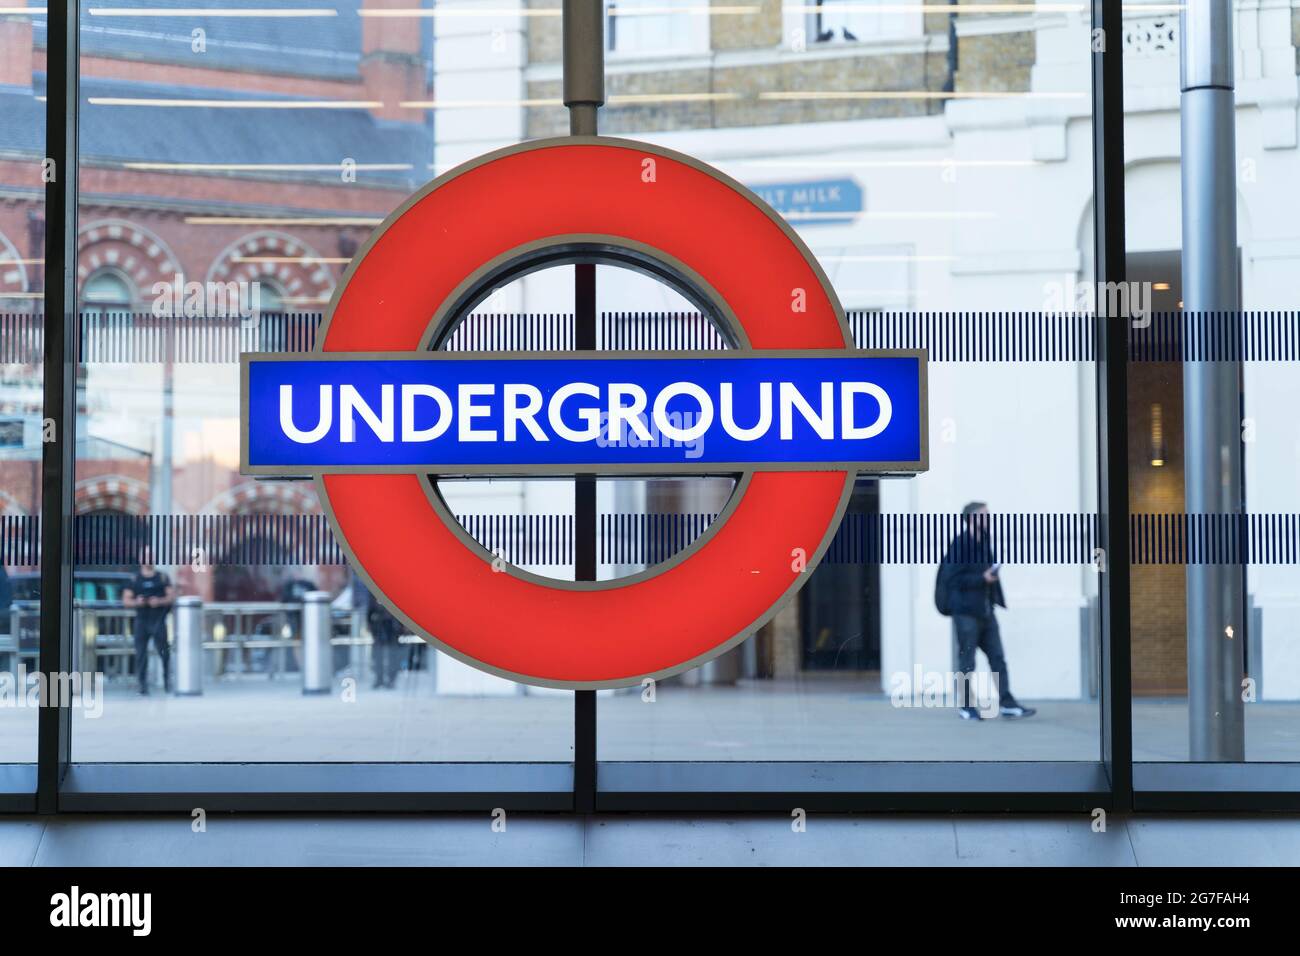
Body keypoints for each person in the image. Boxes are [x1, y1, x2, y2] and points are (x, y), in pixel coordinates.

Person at [938, 502, 1036, 721]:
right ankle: (966, 706)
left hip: (985, 611)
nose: (989, 519)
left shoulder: (984, 542)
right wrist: (982, 578)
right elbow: (951, 579)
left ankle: (1007, 704)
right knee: (967, 661)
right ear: (972, 519)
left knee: (998, 658)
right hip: (965, 613)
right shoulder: (960, 544)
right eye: (984, 516)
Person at [123, 550, 175, 695]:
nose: (148, 559)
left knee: (164, 652)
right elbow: (126, 600)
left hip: (158, 621)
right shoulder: (134, 580)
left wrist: (158, 601)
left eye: (151, 556)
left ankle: (167, 683)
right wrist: (137, 602)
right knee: (141, 654)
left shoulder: (162, 578)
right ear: (140, 559)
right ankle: (143, 686)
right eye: (145, 556)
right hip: (141, 621)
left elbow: (171, 597)